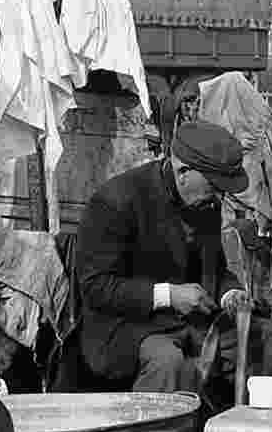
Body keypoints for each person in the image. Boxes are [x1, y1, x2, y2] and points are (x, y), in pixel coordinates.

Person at [77, 119, 255, 404]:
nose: (219, 196)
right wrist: (169, 295)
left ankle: (228, 425)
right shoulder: (115, 201)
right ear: (183, 171)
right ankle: (151, 431)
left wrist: (229, 293)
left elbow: (214, 268)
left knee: (265, 340)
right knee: (168, 361)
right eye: (214, 186)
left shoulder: (205, 201)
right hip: (128, 326)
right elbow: (96, 287)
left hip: (189, 322)